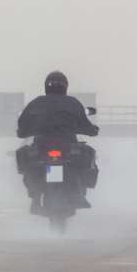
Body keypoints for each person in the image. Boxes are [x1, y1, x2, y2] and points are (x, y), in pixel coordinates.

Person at [16, 71, 99, 213]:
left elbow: (22, 124)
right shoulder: (72, 102)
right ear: (65, 86)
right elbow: (85, 124)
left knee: (29, 161)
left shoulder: (37, 102)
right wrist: (93, 130)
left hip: (42, 145)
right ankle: (77, 193)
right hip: (67, 144)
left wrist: (23, 131)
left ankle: (35, 198)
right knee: (87, 157)